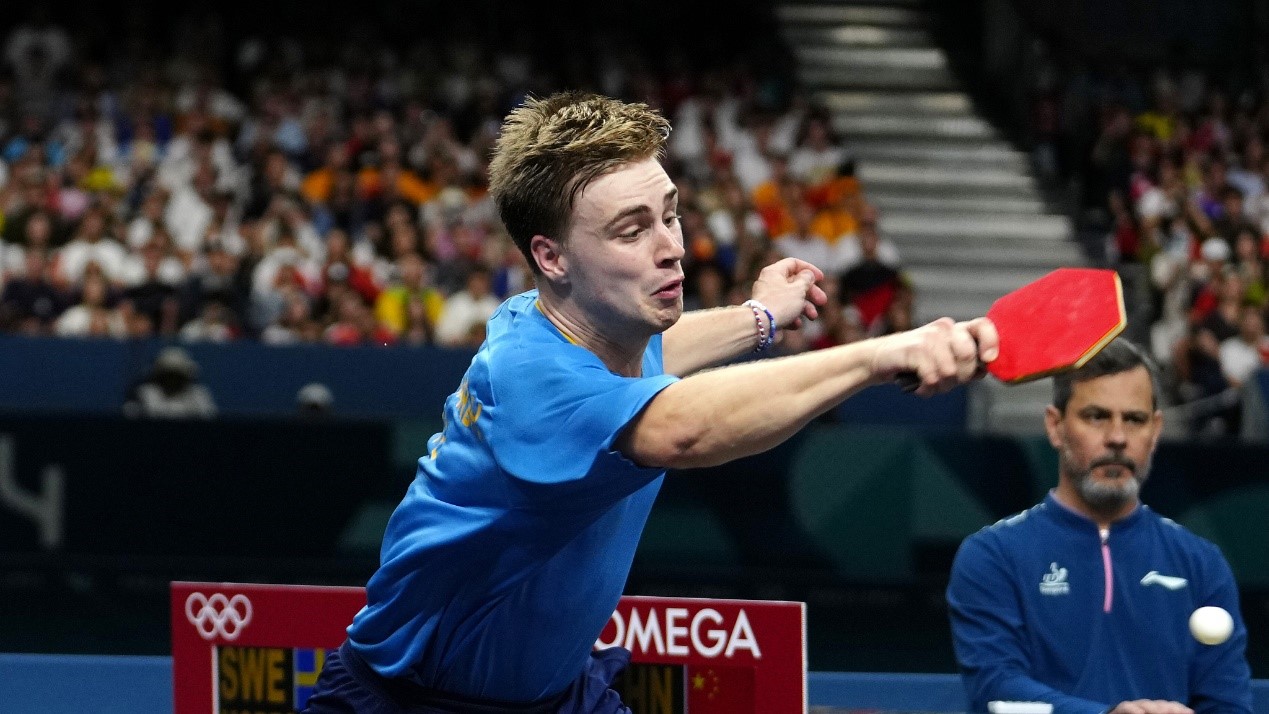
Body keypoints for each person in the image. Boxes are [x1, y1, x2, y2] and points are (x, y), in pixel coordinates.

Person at [303, 91, 998, 714]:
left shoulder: (563, 320)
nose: (673, 249)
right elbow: (682, 429)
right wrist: (876, 356)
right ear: (552, 257)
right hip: (407, 700)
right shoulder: (527, 376)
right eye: (631, 230)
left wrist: (757, 317)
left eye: (669, 216)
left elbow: (663, 347)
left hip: (557, 694)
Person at [945, 338, 1252, 714]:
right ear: (1055, 426)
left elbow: (1229, 705)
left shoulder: (1202, 563)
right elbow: (996, 690)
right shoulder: (992, 556)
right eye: (1096, 416)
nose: (1118, 438)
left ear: (1155, 431)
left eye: (1134, 419)